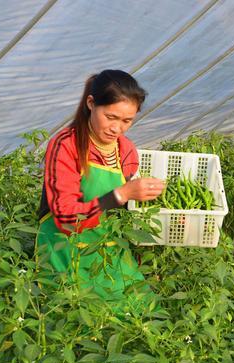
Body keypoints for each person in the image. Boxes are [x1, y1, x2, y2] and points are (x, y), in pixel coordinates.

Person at [36, 69, 165, 312]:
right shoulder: (67, 145)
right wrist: (121, 195)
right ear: (91, 103)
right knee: (77, 317)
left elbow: (123, 213)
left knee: (141, 311)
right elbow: (66, 218)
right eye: (111, 117)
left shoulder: (126, 151)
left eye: (127, 121)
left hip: (107, 246)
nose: (117, 128)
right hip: (65, 248)